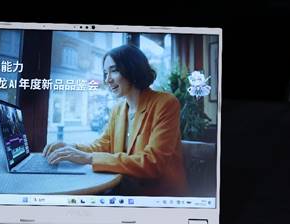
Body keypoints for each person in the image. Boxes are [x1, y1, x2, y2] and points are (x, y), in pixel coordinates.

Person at [43, 45, 187, 196]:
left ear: (132, 69)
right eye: (106, 73)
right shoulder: (118, 109)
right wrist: (70, 148)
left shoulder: (165, 103)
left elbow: (153, 162)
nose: (107, 79)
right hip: (123, 189)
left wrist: (88, 158)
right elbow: (103, 145)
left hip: (158, 195)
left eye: (114, 70)